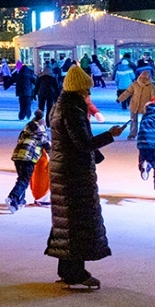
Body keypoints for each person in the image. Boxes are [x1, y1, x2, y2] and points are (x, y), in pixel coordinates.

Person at [44, 64, 124, 289]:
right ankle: (75, 273)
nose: (89, 94)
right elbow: (82, 143)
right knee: (76, 222)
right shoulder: (72, 109)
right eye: (87, 90)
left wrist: (96, 156)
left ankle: (67, 269)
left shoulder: (61, 106)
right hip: (72, 173)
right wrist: (110, 135)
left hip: (66, 169)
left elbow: (72, 140)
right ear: (79, 89)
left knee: (67, 221)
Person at [6, 110, 50, 213]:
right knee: (24, 180)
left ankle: (20, 201)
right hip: (28, 158)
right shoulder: (42, 134)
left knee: (22, 179)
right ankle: (13, 197)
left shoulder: (24, 132)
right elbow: (49, 148)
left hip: (17, 157)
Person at [118, 69, 155, 140]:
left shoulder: (151, 86)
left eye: (145, 78)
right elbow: (128, 92)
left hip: (145, 106)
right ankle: (132, 134)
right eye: (142, 77)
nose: (143, 79)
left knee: (145, 121)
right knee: (133, 120)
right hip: (134, 104)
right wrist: (120, 99)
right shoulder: (135, 84)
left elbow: (154, 96)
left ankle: (144, 134)